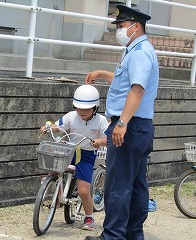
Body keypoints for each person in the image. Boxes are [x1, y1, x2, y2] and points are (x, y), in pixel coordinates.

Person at [84, 4, 159, 240]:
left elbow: (136, 89)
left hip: (130, 125)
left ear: (136, 27)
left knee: (117, 185)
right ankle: (132, 234)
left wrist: (122, 123)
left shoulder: (139, 53)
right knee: (136, 184)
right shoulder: (136, 51)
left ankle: (113, 236)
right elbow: (125, 81)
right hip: (139, 126)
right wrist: (102, 73)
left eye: (122, 26)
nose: (119, 30)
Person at [40, 85, 108, 231]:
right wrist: (47, 127)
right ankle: (57, 197)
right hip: (70, 151)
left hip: (87, 155)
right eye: (79, 107)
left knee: (84, 190)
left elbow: (108, 138)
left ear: (95, 107)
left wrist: (99, 142)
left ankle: (89, 216)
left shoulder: (101, 121)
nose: (82, 111)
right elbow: (57, 127)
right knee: (52, 169)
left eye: (86, 108)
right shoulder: (71, 116)